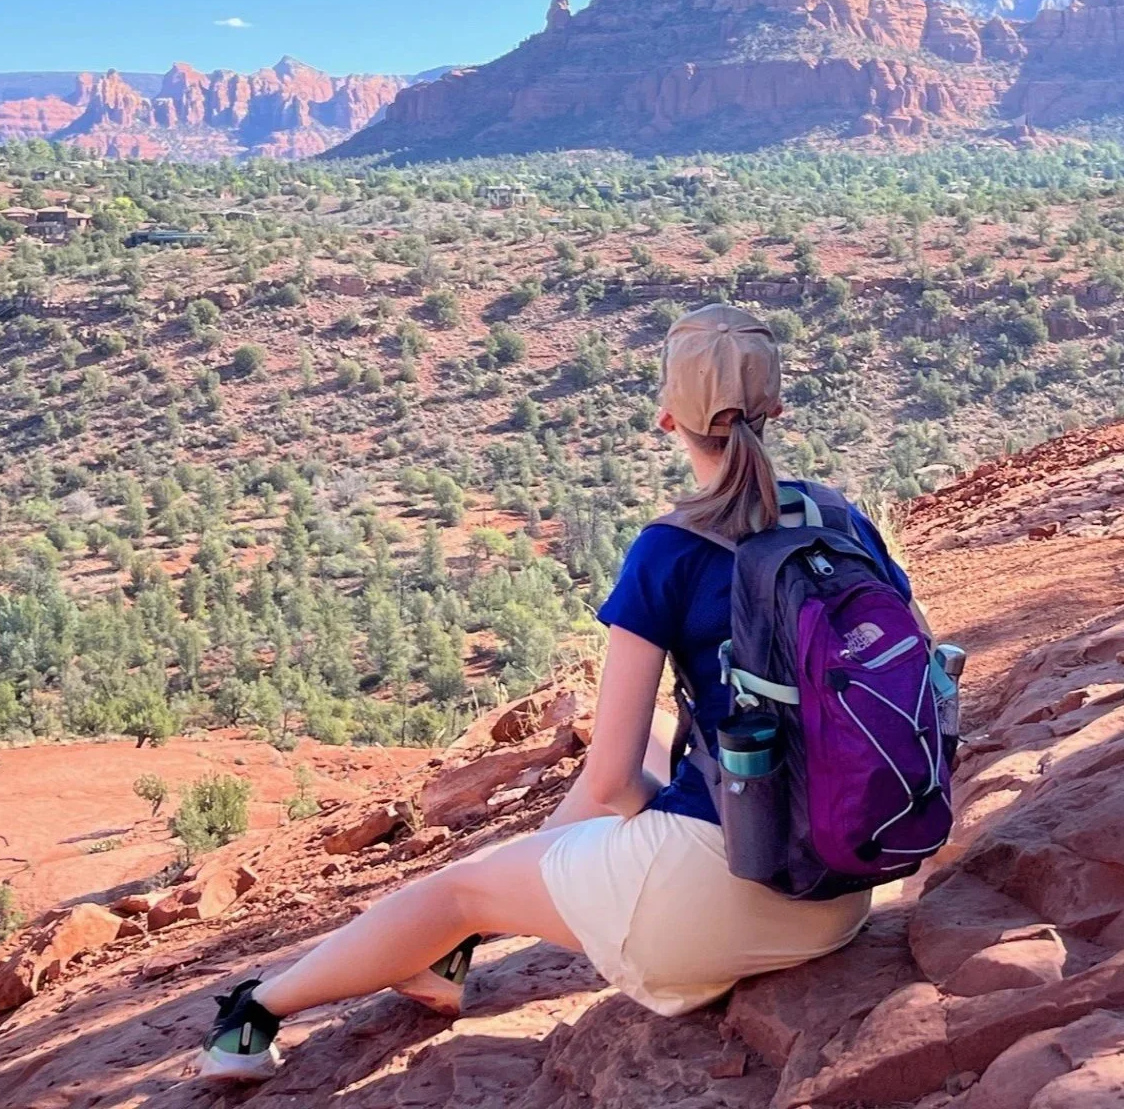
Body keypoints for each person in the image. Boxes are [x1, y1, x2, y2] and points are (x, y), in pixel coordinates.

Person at [198, 304, 918, 1081]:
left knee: (459, 891)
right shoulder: (838, 518)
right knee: (650, 740)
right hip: (843, 885)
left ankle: (252, 1014)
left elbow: (610, 785)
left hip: (722, 900)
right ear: (775, 406)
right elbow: (912, 681)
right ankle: (482, 921)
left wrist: (672, 825)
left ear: (668, 418)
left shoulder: (670, 548)